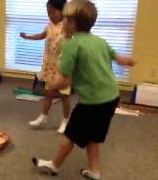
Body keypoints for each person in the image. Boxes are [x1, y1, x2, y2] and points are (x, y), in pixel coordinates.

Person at [32, 0, 135, 179]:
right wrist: (125, 60)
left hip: (92, 102)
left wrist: (47, 83)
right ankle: (95, 171)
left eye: (64, 18)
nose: (62, 21)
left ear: (72, 23)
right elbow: (117, 57)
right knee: (93, 137)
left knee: (68, 136)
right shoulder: (100, 41)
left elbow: (64, 82)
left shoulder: (72, 45)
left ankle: (54, 165)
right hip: (111, 98)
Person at [20, 0, 70, 133]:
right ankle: (43, 117)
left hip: (63, 67)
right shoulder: (49, 25)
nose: (50, 15)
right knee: (48, 93)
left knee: (64, 96)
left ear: (62, 11)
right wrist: (28, 37)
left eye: (53, 12)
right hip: (50, 66)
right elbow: (42, 35)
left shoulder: (67, 26)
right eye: (48, 12)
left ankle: (65, 121)